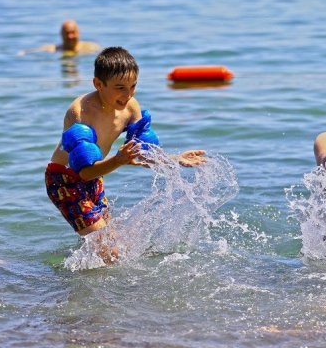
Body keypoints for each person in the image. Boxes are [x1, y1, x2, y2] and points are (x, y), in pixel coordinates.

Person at [45, 47, 207, 248]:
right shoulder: (80, 112)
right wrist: (118, 160)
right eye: (120, 87)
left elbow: (142, 154)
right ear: (98, 84)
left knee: (111, 242)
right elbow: (84, 172)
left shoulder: (131, 108)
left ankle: (76, 267)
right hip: (64, 180)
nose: (128, 94)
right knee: (107, 248)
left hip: (96, 175)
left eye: (133, 86)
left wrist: (174, 159)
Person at [21, 20, 100, 55]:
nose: (70, 36)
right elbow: (29, 51)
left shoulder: (91, 47)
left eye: (73, 32)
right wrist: (22, 53)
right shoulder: (53, 49)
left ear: (78, 33)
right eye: (67, 33)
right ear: (61, 34)